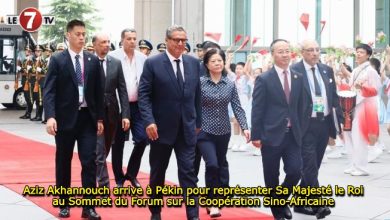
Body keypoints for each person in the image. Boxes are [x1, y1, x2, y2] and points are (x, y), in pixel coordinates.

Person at [138, 25, 201, 220]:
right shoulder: (153, 63)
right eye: (176, 40)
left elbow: (197, 95)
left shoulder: (193, 63)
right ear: (167, 41)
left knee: (189, 174)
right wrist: (148, 121)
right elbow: (144, 94)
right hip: (160, 129)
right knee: (158, 174)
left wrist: (198, 120)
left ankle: (193, 215)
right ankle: (155, 212)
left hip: (187, 129)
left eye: (183, 40)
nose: (181, 44)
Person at [43, 19, 104, 220]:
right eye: (77, 34)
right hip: (64, 120)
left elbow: (98, 92)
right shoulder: (58, 60)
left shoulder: (92, 60)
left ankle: (89, 207)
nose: (81, 37)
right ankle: (64, 204)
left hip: (87, 119)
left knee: (89, 161)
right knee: (63, 161)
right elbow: (49, 90)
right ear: (68, 35)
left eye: (83, 34)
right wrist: (50, 116)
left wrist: (100, 119)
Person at [251, 39, 305, 220]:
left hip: (293, 135)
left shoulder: (298, 76)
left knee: (295, 171)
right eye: (280, 51)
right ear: (273, 55)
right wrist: (256, 135)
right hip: (270, 135)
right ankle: (277, 212)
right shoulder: (264, 79)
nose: (285, 54)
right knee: (271, 175)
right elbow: (257, 108)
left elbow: (302, 106)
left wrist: (302, 128)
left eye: (287, 51)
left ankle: (280, 199)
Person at [291, 39, 343, 219]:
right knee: (309, 165)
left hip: (324, 123)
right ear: (302, 52)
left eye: (317, 50)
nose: (314, 53)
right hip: (305, 125)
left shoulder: (326, 70)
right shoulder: (294, 71)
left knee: (314, 165)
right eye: (310, 50)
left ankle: (298, 201)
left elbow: (333, 97)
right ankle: (318, 203)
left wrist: (339, 122)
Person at [197, 48, 250, 218]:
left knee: (219, 165)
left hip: (223, 131)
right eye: (213, 61)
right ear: (206, 64)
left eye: (220, 60)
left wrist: (245, 127)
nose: (217, 63)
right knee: (211, 164)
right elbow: (192, 106)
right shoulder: (200, 83)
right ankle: (213, 204)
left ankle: (215, 197)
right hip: (203, 131)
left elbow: (237, 106)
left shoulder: (229, 83)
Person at [109, 28, 148, 188]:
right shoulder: (113, 57)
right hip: (118, 106)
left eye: (134, 38)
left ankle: (131, 174)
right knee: (118, 143)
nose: (132, 41)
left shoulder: (143, 58)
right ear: (122, 40)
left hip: (138, 106)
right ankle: (119, 178)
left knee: (142, 139)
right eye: (129, 39)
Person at [92, 33, 130, 189]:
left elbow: (122, 90)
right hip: (94, 112)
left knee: (105, 148)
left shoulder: (115, 63)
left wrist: (126, 115)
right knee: (100, 150)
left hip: (112, 113)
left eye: (108, 42)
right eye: (103, 42)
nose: (107, 45)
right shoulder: (89, 62)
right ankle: (104, 185)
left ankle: (93, 173)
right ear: (94, 44)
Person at [340, 44, 381, 176]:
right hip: (352, 105)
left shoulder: (371, 71)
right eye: (357, 52)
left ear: (368, 55)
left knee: (359, 137)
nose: (358, 54)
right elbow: (352, 87)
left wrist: (362, 88)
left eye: (361, 52)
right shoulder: (358, 69)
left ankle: (362, 168)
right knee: (349, 135)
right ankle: (354, 164)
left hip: (364, 106)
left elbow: (375, 90)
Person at [30, 45, 45, 122]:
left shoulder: (43, 60)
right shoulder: (34, 60)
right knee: (36, 99)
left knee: (40, 99)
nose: (37, 52)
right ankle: (37, 115)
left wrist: (41, 70)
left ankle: (39, 116)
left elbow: (46, 70)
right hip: (34, 82)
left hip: (41, 82)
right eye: (36, 51)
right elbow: (32, 70)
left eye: (39, 51)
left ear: (41, 52)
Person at [18, 46, 33, 119]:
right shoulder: (24, 60)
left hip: (29, 81)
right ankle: (27, 113)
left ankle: (28, 113)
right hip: (24, 81)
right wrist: (20, 69)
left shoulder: (31, 60)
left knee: (29, 98)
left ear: (30, 52)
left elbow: (28, 71)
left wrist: (21, 69)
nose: (26, 52)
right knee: (26, 97)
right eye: (26, 50)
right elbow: (23, 70)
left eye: (28, 51)